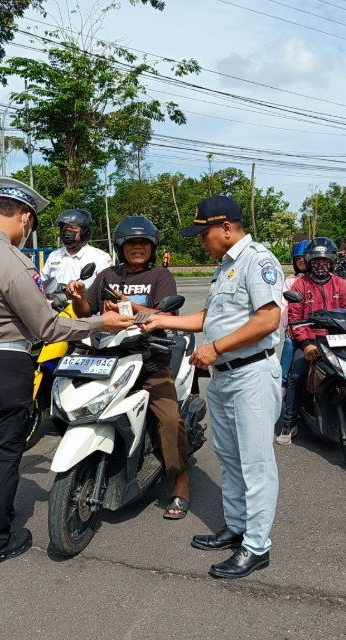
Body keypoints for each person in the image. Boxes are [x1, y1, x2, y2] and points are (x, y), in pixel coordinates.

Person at [0, 177, 134, 571]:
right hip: (4, 365)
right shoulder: (14, 260)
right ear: (25, 217)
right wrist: (100, 323)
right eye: (33, 223)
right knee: (4, 453)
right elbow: (49, 328)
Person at [142, 195, 282, 580]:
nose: (200, 240)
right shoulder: (225, 267)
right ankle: (236, 527)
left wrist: (216, 348)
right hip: (223, 377)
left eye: (204, 232)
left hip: (251, 375)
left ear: (225, 227)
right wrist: (160, 320)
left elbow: (269, 319)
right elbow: (210, 316)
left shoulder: (258, 260)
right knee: (232, 459)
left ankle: (256, 546)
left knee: (256, 463)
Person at [68, 216, 192, 519]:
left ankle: (181, 480)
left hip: (150, 361)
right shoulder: (108, 274)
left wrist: (132, 306)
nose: (138, 248)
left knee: (170, 418)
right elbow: (87, 310)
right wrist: (77, 297)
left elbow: (167, 313)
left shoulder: (160, 275)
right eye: (131, 243)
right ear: (121, 247)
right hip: (110, 359)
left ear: (152, 247)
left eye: (143, 243)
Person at [278, 237, 346, 445]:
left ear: (331, 263)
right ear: (310, 262)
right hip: (310, 341)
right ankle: (288, 423)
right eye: (316, 262)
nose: (321, 266)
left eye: (325, 262)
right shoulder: (300, 285)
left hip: (336, 340)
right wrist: (306, 343)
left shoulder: (341, 285)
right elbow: (294, 319)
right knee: (296, 376)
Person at [40, 208, 112, 288]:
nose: (67, 231)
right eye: (65, 228)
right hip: (56, 299)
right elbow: (42, 283)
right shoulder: (54, 256)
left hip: (84, 300)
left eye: (72, 228)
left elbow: (108, 287)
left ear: (84, 232)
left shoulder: (100, 257)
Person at [279, 240, 309, 395]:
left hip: (321, 327)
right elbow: (284, 307)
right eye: (298, 259)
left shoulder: (326, 278)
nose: (302, 261)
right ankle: (282, 385)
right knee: (290, 344)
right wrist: (289, 326)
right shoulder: (290, 281)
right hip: (297, 326)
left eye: (304, 257)